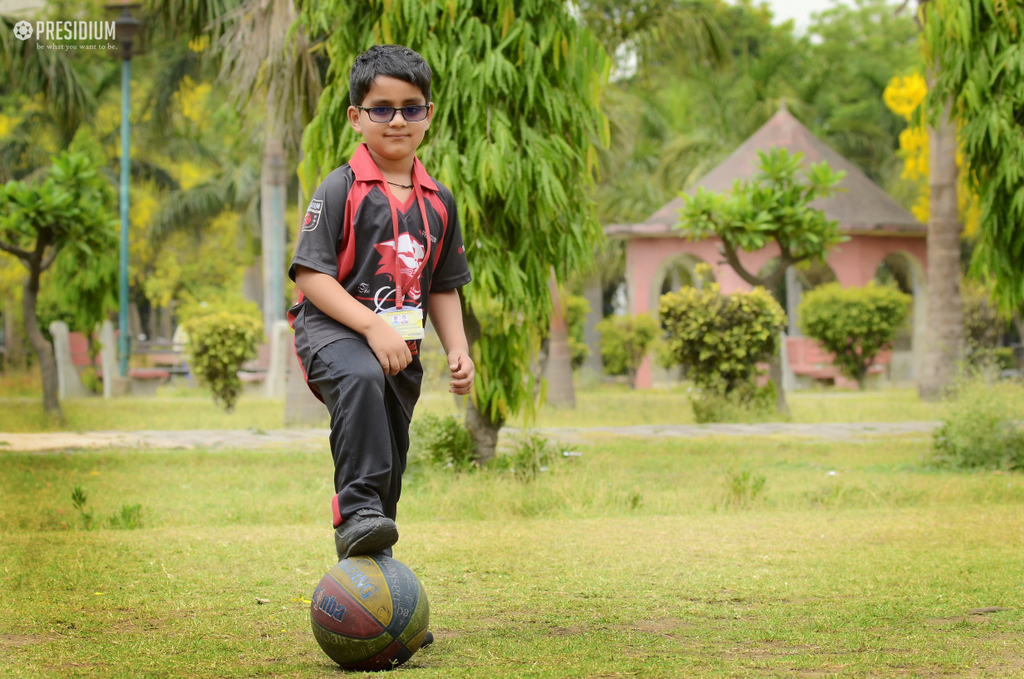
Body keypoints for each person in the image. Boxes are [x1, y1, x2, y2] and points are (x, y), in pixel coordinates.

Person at [289, 44, 474, 562]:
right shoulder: (341, 187)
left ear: (428, 114)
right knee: (362, 379)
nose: (397, 120)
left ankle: (377, 595)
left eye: (411, 108)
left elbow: (442, 283)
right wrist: (371, 328)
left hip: (401, 346)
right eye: (382, 109)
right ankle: (355, 511)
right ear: (356, 118)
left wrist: (458, 349)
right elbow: (309, 274)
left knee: (389, 456)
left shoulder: (438, 200)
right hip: (334, 330)